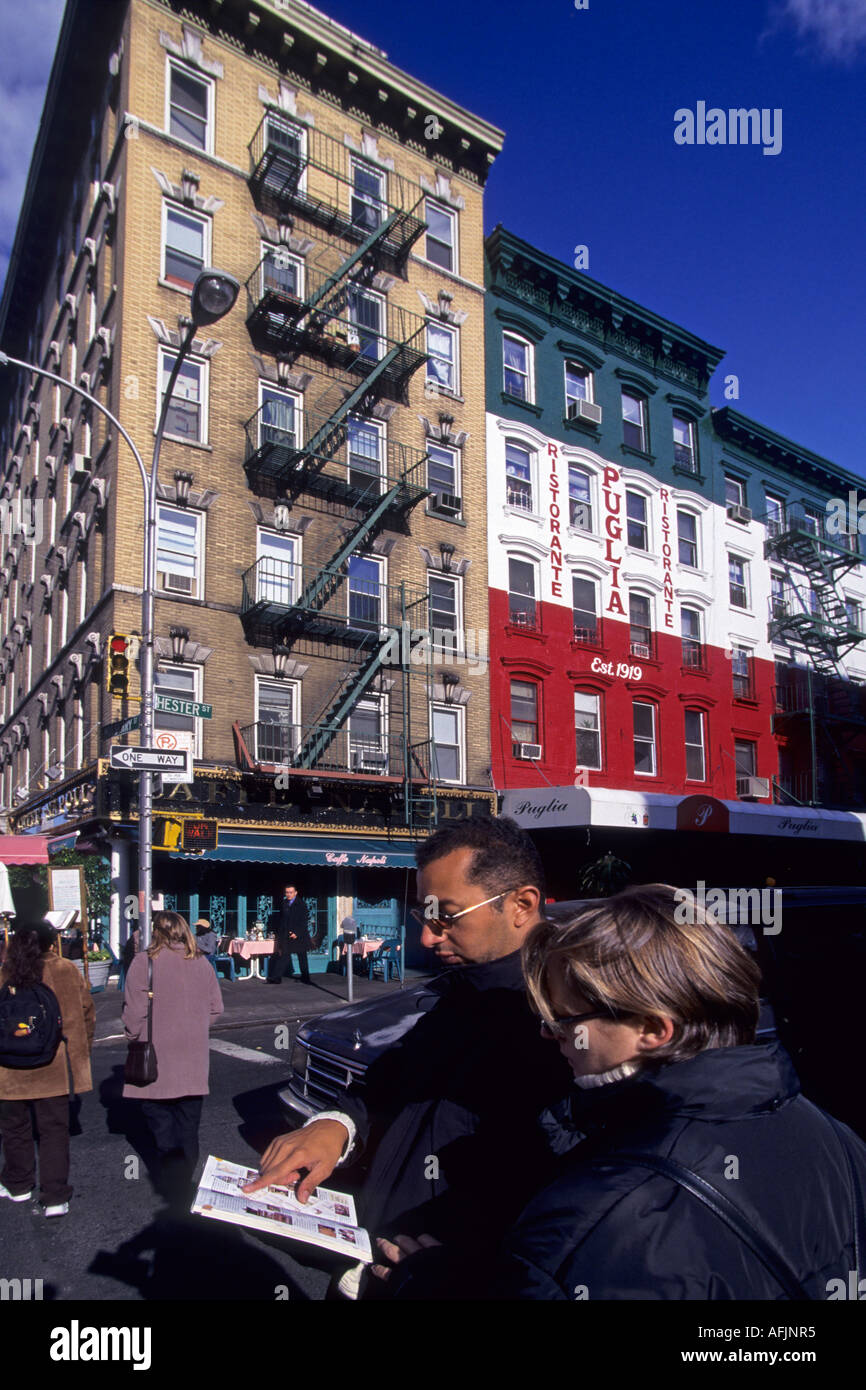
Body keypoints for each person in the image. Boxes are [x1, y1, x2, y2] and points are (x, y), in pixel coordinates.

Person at [374, 884, 866, 1300]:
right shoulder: (839, 1139)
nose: (549, 1035)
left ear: (653, 1029)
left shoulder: (601, 1214)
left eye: (564, 1020)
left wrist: (428, 1286)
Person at [243, 817, 572, 1299]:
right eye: (424, 915)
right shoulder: (458, 993)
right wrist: (335, 1125)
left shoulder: (573, 1023)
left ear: (521, 905)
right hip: (377, 1269)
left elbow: (571, 1205)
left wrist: (461, 1275)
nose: (428, 939)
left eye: (449, 917)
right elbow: (389, 1080)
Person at [122, 911, 223, 1201]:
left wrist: (135, 1036)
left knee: (160, 1123)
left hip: (156, 1055)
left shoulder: (144, 962)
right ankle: (185, 1181)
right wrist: (194, 1027)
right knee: (189, 1125)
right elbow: (216, 1008)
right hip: (192, 1057)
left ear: (155, 932)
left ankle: (171, 1183)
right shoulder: (201, 962)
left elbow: (134, 1012)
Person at [0, 920, 94, 1217]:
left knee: (14, 1129)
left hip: (8, 1068)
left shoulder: (4, 971)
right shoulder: (65, 969)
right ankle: (54, 1197)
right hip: (53, 1065)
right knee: (54, 1131)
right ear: (50, 941)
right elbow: (86, 1016)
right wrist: (79, 1055)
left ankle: (19, 1184)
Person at [266, 885, 311, 984]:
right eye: (287, 892)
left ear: (295, 893)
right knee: (284, 955)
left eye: (291, 892)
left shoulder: (301, 904)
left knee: (302, 956)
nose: (289, 894)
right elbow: (282, 920)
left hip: (299, 935)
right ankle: (276, 977)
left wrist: (297, 933)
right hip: (286, 934)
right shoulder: (284, 903)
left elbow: (304, 921)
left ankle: (306, 977)